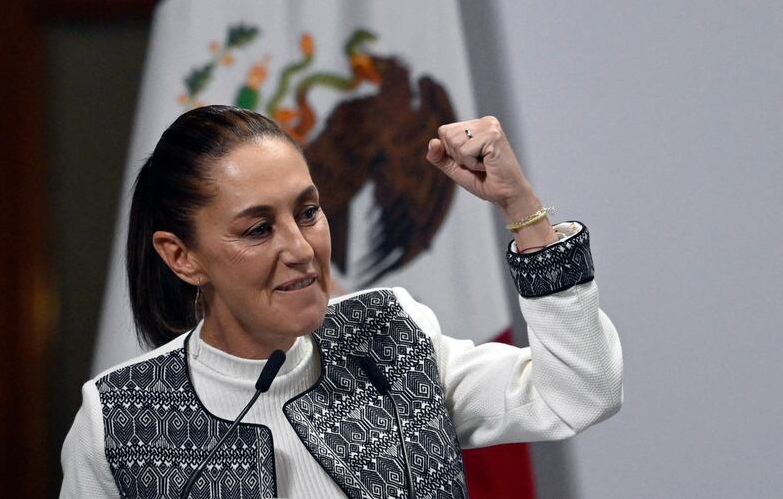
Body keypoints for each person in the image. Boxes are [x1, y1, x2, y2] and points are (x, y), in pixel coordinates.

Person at [60, 105, 623, 498]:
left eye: (308, 212)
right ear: (182, 257)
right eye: (258, 229)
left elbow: (579, 391)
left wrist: (521, 208)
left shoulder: (390, 340)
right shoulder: (120, 419)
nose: (302, 249)